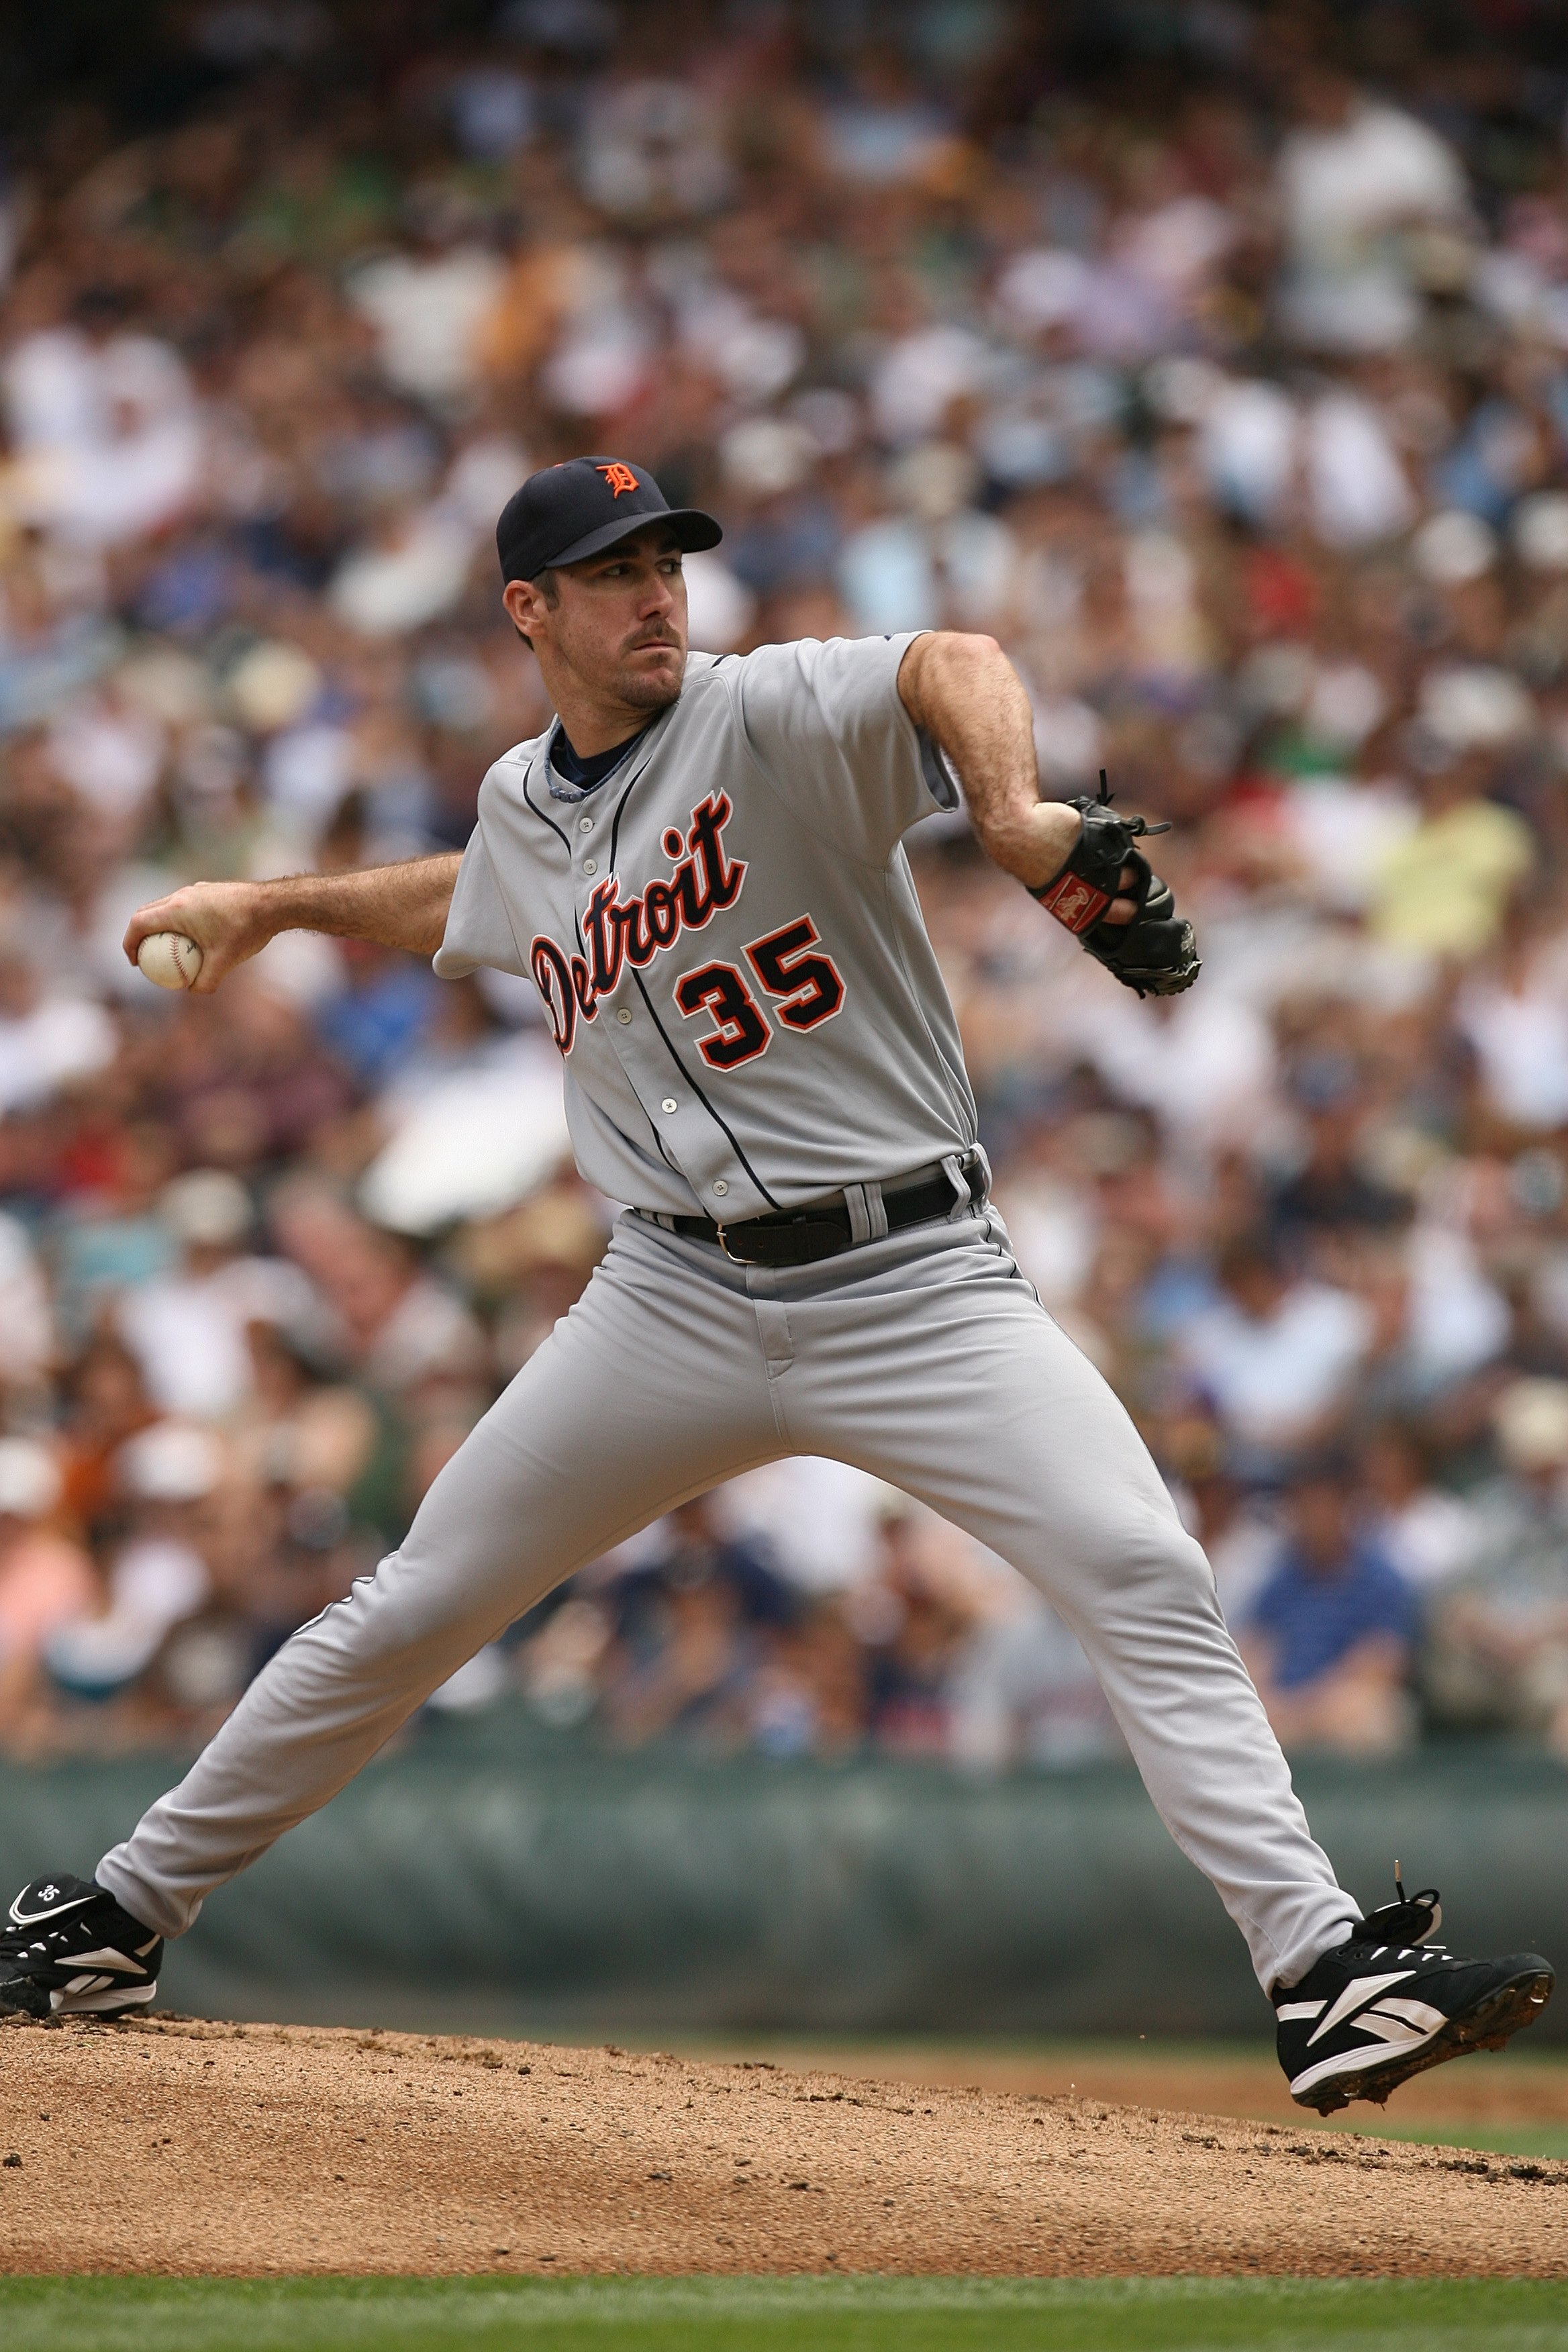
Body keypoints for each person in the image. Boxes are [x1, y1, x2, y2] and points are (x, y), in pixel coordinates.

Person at [1, 456, 1550, 2116]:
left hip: (912, 1280)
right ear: (529, 611)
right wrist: (273, 907)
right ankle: (118, 1915)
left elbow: (951, 661)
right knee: (415, 1603)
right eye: (612, 573)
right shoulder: (527, 802)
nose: (656, 593)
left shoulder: (768, 713)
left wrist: (1015, 816)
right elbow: (477, 897)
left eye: (667, 560)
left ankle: (1319, 1972)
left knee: (1137, 1563)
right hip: (665, 1302)